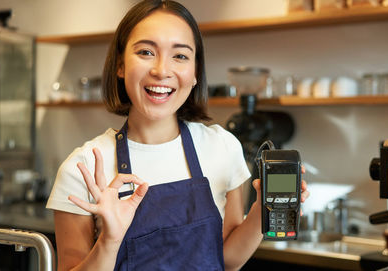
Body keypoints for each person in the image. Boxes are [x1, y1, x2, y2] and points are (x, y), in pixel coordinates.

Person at [45, 1, 309, 270]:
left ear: (195, 72)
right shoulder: (84, 169)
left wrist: (261, 211)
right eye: (146, 52)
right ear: (120, 65)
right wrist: (109, 241)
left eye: (180, 56)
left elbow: (227, 260)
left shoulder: (222, 147)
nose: (162, 70)